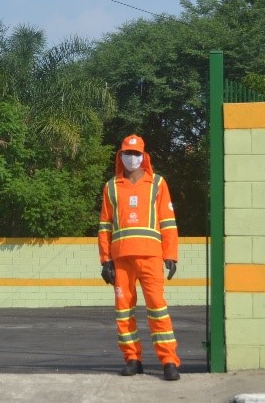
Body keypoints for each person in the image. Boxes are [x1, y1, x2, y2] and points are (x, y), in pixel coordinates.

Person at [98, 134, 182, 381]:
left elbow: (167, 222)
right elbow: (105, 224)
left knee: (157, 307)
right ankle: (132, 359)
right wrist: (105, 260)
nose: (131, 158)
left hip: (151, 256)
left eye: (136, 154)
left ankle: (169, 361)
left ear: (144, 157)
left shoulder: (157, 183)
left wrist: (171, 254)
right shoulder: (111, 186)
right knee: (123, 311)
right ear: (120, 155)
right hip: (121, 258)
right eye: (127, 153)